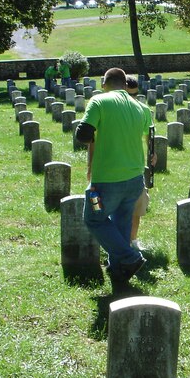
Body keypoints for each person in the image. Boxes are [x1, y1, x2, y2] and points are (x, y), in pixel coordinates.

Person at [75, 67, 148, 282]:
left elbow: (83, 134)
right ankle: (119, 270)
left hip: (105, 184)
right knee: (122, 222)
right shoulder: (140, 107)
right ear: (125, 84)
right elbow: (149, 137)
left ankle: (131, 257)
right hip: (135, 180)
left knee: (94, 219)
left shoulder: (99, 101)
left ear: (104, 84)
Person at [125, 75, 156, 250]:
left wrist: (153, 154)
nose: (133, 99)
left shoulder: (143, 110)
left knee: (137, 208)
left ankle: (133, 240)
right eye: (129, 95)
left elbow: (149, 136)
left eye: (135, 95)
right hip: (113, 166)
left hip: (135, 166)